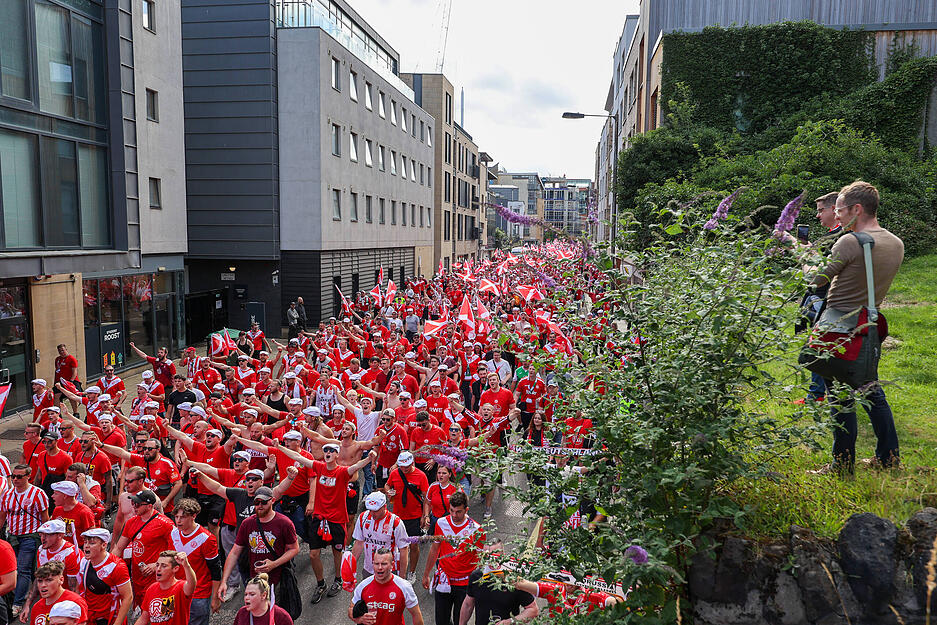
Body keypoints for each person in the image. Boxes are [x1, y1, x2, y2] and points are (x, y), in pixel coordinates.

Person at [809, 181, 905, 474]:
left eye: (839, 210)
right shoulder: (895, 242)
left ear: (857, 209)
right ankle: (889, 458)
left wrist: (804, 257)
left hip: (838, 326)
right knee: (872, 391)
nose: (836, 216)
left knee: (840, 396)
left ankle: (842, 464)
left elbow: (815, 281)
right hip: (868, 325)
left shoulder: (850, 241)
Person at [794, 191, 843, 405]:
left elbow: (818, 274)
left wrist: (803, 255)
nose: (817, 216)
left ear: (835, 209)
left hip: (827, 299)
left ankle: (817, 395)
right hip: (820, 298)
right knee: (818, 344)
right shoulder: (833, 235)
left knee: (818, 346)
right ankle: (820, 393)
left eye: (821, 210)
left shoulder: (841, 237)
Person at [219, 487, 300, 604]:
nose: (260, 505)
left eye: (264, 502)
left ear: (272, 501)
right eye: (257, 502)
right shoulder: (247, 523)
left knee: (276, 615)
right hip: (256, 581)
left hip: (278, 580)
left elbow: (294, 548)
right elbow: (235, 552)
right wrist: (224, 581)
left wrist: (274, 564)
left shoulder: (284, 523)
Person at [421, 492, 483, 625]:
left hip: (464, 585)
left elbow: (480, 561)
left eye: (458, 512)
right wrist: (426, 573)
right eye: (451, 511)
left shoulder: (477, 530)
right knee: (441, 621)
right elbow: (434, 549)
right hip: (444, 581)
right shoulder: (441, 523)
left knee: (459, 621)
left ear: (466, 510)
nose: (454, 515)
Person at [110, 490, 174, 609]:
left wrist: (156, 565)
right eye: (133, 503)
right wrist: (108, 564)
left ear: (149, 506)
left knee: (159, 615)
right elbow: (119, 548)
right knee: (142, 612)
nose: (134, 506)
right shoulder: (131, 522)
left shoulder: (166, 524)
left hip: (158, 579)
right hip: (137, 579)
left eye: (138, 504)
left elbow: (176, 552)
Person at [0, 464, 50, 616]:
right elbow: (2, 516)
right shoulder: (7, 495)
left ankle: (17, 603)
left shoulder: (38, 494)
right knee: (11, 570)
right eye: (13, 476)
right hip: (12, 537)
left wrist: (45, 538)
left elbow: (44, 517)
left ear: (28, 476)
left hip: (30, 536)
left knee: (22, 569)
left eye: (19, 477)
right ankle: (13, 596)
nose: (15, 479)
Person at [458, 540, 538, 625]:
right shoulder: (476, 576)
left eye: (494, 556)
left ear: (503, 555)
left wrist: (509, 622)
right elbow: (468, 604)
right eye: (486, 556)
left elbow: (533, 610)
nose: (490, 560)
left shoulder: (514, 580)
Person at [168, 499, 221, 624]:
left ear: (194, 516)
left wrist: (215, 598)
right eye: (176, 517)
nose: (178, 521)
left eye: (183, 517)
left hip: (198, 595)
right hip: (173, 591)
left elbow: (215, 570)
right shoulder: (173, 533)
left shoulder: (206, 539)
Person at [383, 452, 428, 583]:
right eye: (401, 467)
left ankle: (412, 572)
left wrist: (424, 516)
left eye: (406, 467)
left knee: (413, 546)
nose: (404, 469)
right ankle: (396, 570)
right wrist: (388, 491)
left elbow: (426, 499)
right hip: (397, 517)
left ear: (412, 463)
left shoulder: (421, 476)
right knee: (396, 546)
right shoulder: (395, 473)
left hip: (414, 517)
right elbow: (387, 485)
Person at [349, 548, 423, 625]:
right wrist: (360, 619)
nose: (380, 567)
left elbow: (416, 614)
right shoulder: (363, 586)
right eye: (376, 564)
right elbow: (351, 609)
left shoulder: (404, 587)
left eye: (384, 564)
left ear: (392, 565)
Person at [77, 528, 133, 625]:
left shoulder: (116, 566)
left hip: (110, 618)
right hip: (90, 617)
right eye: (85, 542)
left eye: (92, 543)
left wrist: (117, 623)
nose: (86, 546)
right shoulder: (84, 562)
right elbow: (80, 590)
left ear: (104, 545)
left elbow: (128, 597)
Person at [351, 492, 409, 579]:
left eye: (376, 511)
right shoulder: (363, 517)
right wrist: (350, 568)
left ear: (385, 506)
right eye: (370, 510)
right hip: (369, 570)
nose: (372, 514)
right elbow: (359, 543)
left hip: (389, 571)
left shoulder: (395, 523)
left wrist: (402, 576)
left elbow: (404, 549)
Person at [136, 551, 196, 625]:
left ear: (175, 569)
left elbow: (192, 584)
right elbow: (143, 619)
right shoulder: (151, 588)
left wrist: (186, 565)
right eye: (157, 565)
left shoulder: (180, 587)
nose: (158, 569)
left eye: (164, 566)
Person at [23, 561, 87, 625]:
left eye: (48, 580)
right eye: (40, 581)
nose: (43, 585)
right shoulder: (37, 607)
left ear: (61, 580)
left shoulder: (75, 602)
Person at [49, 482, 95, 549]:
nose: (52, 496)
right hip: (60, 549)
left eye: (56, 493)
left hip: (78, 550)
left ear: (65, 496)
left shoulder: (84, 512)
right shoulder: (57, 510)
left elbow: (92, 535)